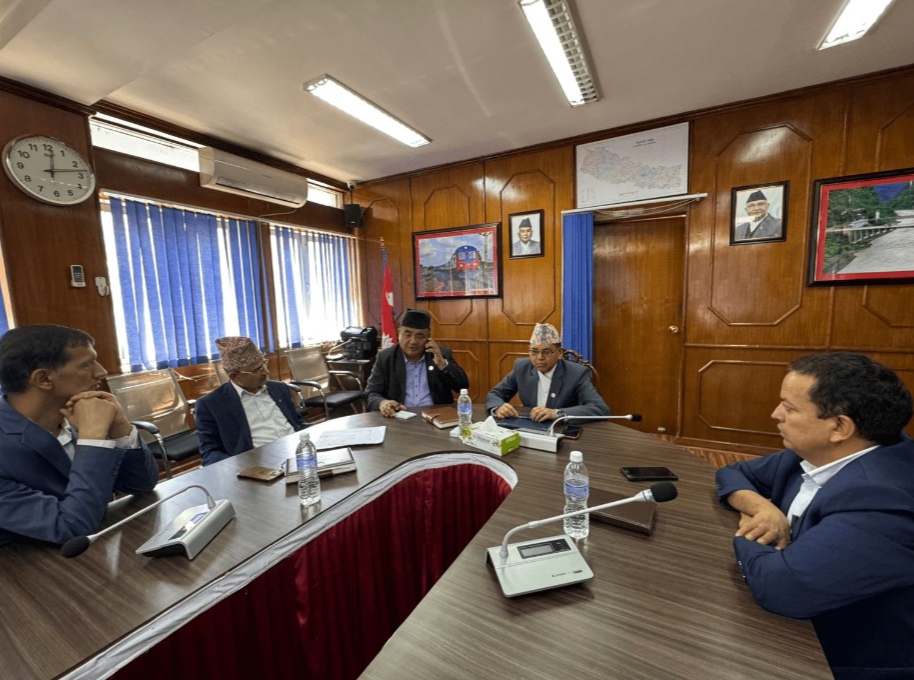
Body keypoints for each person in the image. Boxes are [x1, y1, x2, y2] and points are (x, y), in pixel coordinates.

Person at [716, 352, 914, 678]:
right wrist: (763, 509)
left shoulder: (883, 499)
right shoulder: (823, 452)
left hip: (844, 658)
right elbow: (734, 472)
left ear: (839, 426)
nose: (775, 414)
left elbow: (783, 588)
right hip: (804, 619)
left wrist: (752, 531)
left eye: (789, 408)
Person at [0, 324, 159, 548]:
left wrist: (120, 426)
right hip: (33, 562)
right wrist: (93, 439)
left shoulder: (77, 412)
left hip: (97, 546)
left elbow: (141, 485)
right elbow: (69, 528)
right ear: (44, 378)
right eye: (86, 364)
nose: (101, 372)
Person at [195, 337, 306, 466]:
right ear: (234, 376)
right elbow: (210, 453)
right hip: (259, 464)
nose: (266, 372)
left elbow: (298, 424)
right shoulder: (212, 404)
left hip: (299, 452)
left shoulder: (279, 388)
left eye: (264, 364)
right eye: (257, 370)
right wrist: (240, 467)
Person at [485, 323, 609, 422]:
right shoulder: (522, 367)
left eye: (546, 352)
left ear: (559, 353)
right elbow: (495, 394)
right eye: (534, 351)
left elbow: (600, 408)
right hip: (530, 425)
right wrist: (498, 407)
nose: (539, 358)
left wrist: (557, 413)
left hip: (561, 430)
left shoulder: (576, 373)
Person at [364, 309, 469, 416]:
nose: (413, 341)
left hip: (436, 416)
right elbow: (370, 393)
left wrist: (442, 364)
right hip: (399, 416)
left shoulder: (440, 354)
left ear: (428, 337)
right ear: (399, 333)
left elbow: (462, 386)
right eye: (407, 335)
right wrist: (382, 403)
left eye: (420, 336)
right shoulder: (386, 357)